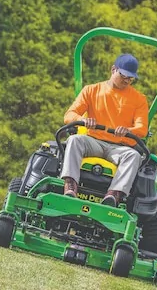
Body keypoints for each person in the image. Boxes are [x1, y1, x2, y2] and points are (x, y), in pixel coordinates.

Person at [61, 53, 149, 207]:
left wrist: (128, 130)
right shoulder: (91, 90)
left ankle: (113, 196)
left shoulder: (138, 99)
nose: (127, 81)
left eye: (131, 78)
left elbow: (142, 129)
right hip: (93, 141)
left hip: (119, 148)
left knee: (134, 155)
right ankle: (70, 186)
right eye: (124, 76)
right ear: (113, 69)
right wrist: (82, 121)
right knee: (74, 140)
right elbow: (69, 115)